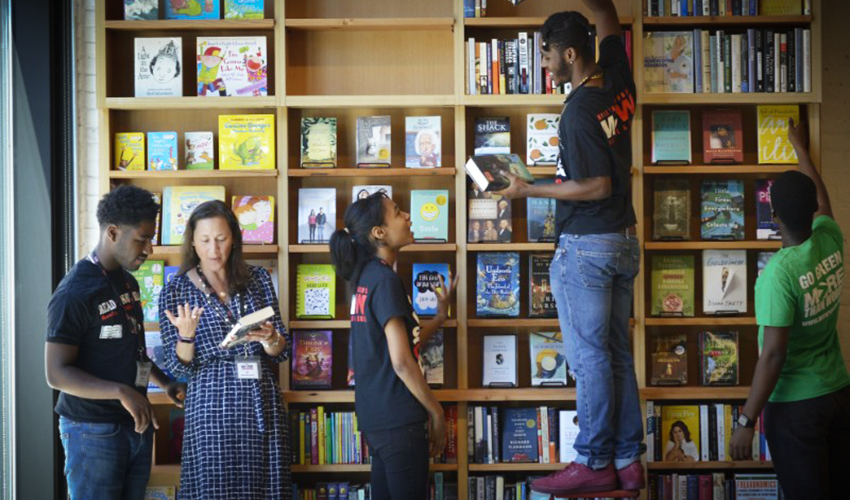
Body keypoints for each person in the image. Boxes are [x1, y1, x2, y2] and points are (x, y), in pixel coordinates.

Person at [496, 0, 644, 494]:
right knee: (617, 354)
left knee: (589, 359)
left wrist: (528, 190)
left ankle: (595, 459)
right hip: (623, 240)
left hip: (588, 244)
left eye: (548, 54)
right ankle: (627, 458)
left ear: (572, 55)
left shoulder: (578, 111)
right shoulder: (617, 77)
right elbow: (610, 22)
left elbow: (597, 184)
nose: (543, 62)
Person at [729, 119, 850, 500]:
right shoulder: (830, 239)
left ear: (774, 217)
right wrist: (801, 150)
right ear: (813, 209)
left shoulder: (777, 275)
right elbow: (823, 199)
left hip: (797, 408)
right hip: (838, 394)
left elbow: (774, 354)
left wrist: (747, 419)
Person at [45, 185, 186, 500]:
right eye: (142, 239)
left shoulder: (127, 282)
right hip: (92, 431)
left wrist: (165, 382)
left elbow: (131, 350)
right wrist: (121, 392)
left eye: (151, 238)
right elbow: (56, 373)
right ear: (112, 232)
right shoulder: (73, 293)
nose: (149, 249)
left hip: (134, 424)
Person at [158, 200, 291, 500]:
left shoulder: (257, 279)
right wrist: (186, 338)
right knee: (214, 488)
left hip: (260, 401)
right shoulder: (176, 290)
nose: (213, 250)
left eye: (221, 239)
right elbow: (179, 369)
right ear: (192, 242)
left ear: (234, 238)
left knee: (264, 488)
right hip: (211, 407)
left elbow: (282, 351)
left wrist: (270, 337)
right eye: (205, 240)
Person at [329, 192, 458, 500]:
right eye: (398, 212)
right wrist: (437, 412)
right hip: (400, 420)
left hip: (377, 418)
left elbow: (399, 346)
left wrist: (439, 318)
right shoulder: (385, 281)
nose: (408, 216)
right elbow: (401, 362)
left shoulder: (366, 278)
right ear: (379, 232)